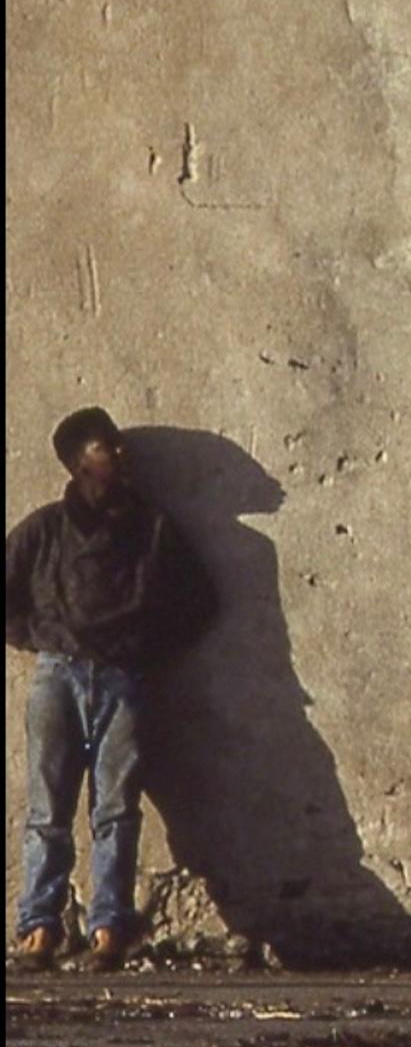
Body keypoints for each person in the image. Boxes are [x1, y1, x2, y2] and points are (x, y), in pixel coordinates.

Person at [7, 408, 216, 967]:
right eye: (108, 447)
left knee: (116, 810)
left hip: (125, 680)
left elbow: (201, 601)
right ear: (78, 463)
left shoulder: (152, 529)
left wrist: (143, 648)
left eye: (120, 445)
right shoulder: (45, 529)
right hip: (57, 676)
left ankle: (108, 933)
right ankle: (39, 930)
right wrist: (37, 636)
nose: (121, 455)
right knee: (48, 811)